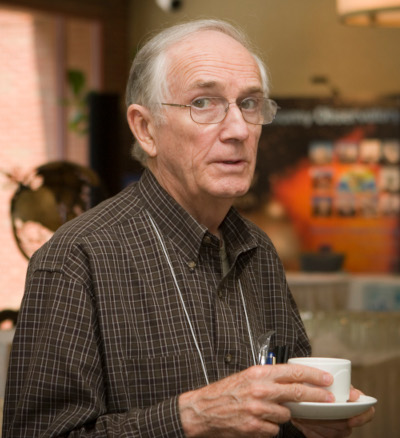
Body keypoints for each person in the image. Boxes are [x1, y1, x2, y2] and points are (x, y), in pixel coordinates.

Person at [3, 19, 374, 437]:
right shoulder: (77, 259)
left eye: (249, 104)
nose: (237, 130)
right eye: (203, 103)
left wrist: (306, 423)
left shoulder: (259, 251)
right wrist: (191, 417)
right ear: (146, 129)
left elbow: (277, 409)